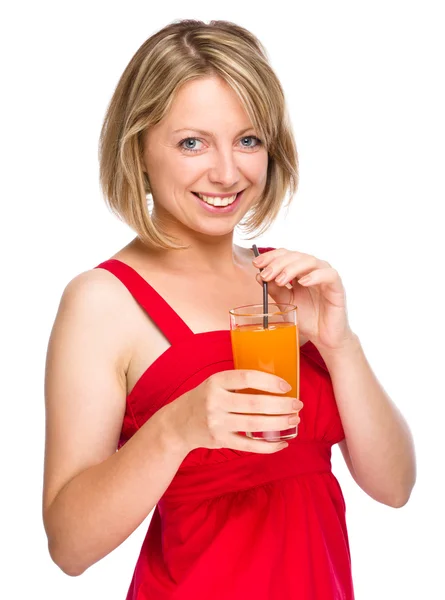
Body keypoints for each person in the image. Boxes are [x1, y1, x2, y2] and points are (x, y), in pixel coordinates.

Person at [42, 19, 416, 600]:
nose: (226, 171)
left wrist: (340, 346)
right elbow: (68, 546)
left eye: (248, 140)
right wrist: (177, 429)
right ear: (138, 148)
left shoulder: (286, 285)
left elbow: (395, 487)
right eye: (192, 142)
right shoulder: (102, 300)